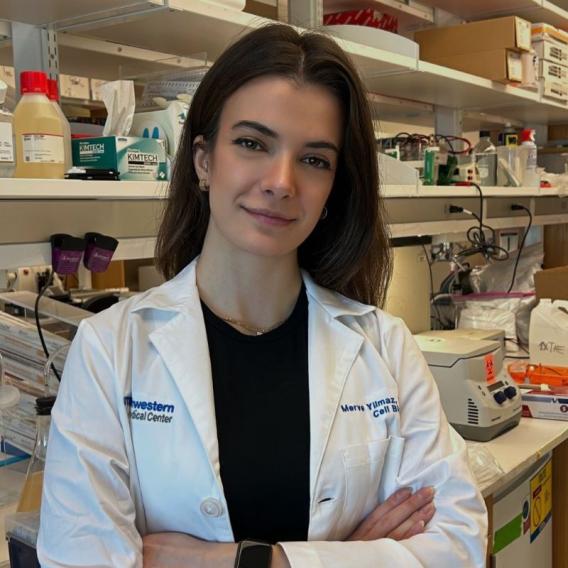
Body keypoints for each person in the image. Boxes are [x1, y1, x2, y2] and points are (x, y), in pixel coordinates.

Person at [37, 23, 487, 568]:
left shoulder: (385, 347)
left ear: (333, 190)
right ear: (204, 160)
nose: (281, 181)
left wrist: (245, 561)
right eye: (252, 143)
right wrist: (354, 556)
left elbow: (457, 545)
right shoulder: (111, 349)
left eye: (315, 159)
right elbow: (77, 559)